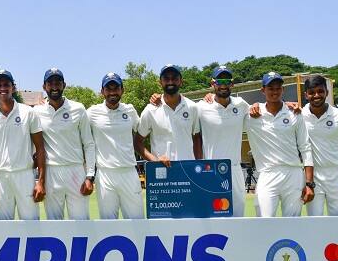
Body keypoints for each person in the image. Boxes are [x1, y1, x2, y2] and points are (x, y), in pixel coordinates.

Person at [246, 71, 314, 217]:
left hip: (293, 173)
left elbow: (305, 148)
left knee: (292, 225)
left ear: (283, 90)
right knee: (264, 221)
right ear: (263, 90)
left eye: (278, 88)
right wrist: (210, 96)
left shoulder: (295, 113)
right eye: (270, 88)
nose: (274, 92)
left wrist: (309, 184)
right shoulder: (251, 114)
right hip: (267, 173)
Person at [0, 70, 46, 220]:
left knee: (31, 224)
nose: (3, 88)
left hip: (25, 174)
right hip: (1, 178)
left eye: (6, 85)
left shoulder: (28, 112)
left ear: (13, 87)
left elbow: (40, 148)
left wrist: (40, 182)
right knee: (4, 228)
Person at [34, 68, 95, 220]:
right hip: (51, 173)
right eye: (50, 83)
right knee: (54, 225)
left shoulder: (78, 108)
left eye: (58, 83)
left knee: (81, 223)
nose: (54, 87)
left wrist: (90, 176)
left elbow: (88, 144)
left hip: (76, 171)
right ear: (44, 87)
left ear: (64, 85)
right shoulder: (36, 111)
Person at [87, 72, 144, 219]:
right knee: (108, 224)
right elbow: (74, 127)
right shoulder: (92, 112)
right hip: (105, 174)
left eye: (116, 88)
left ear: (122, 90)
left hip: (129, 171)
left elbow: (144, 131)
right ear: (102, 92)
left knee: (137, 221)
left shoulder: (130, 110)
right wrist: (46, 102)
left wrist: (158, 102)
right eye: (108, 88)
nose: (112, 92)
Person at [194, 66, 249, 217]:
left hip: (235, 169)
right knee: (213, 218)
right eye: (219, 81)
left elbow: (261, 111)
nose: (223, 85)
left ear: (232, 84)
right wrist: (159, 97)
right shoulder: (201, 107)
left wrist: (288, 105)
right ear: (213, 83)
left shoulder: (241, 104)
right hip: (210, 171)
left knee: (238, 216)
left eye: (227, 81)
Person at [301, 75, 338, 216]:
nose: (316, 95)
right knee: (314, 224)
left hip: (337, 176)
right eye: (312, 92)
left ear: (327, 92)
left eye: (320, 91)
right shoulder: (299, 115)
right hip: (312, 178)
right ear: (306, 94)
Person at [135, 64, 201, 165]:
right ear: (160, 82)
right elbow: (137, 142)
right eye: (166, 78)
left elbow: (196, 137)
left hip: (187, 171)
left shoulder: (192, 107)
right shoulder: (150, 110)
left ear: (181, 81)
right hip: (162, 173)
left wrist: (198, 165)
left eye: (174, 78)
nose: (170, 82)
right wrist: (155, 161)